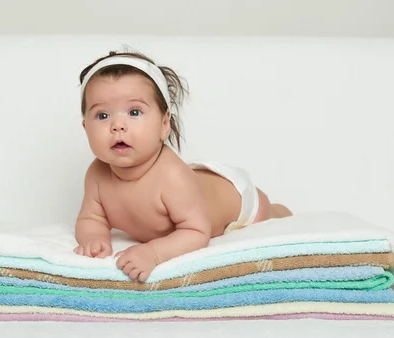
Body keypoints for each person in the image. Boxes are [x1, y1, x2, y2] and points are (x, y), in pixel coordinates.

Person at [73, 50, 292, 282]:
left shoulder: (172, 177)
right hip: (197, 184)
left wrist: (153, 253)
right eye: (102, 115)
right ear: (86, 127)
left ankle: (280, 210)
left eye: (134, 112)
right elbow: (91, 219)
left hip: (236, 198)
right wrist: (93, 239)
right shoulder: (97, 175)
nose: (118, 125)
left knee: (271, 217)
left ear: (164, 124)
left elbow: (197, 232)